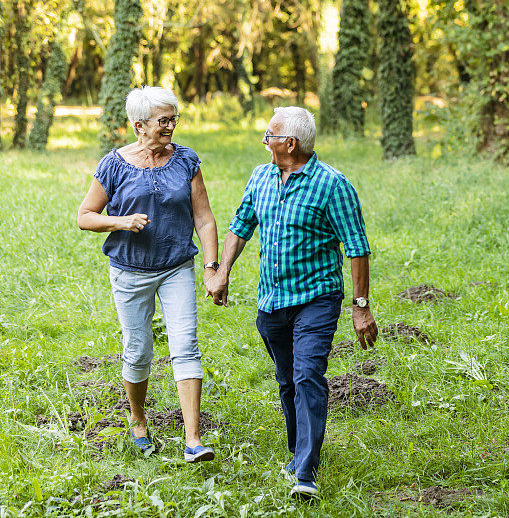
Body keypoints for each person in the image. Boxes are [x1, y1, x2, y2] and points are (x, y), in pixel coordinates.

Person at [206, 106, 378, 498]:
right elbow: (240, 226)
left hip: (316, 297)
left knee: (307, 376)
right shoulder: (261, 176)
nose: (264, 141)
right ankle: (297, 449)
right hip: (271, 300)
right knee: (287, 380)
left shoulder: (333, 185)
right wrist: (222, 272)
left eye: (269, 134)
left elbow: (356, 247)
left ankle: (305, 470)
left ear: (290, 143)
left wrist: (360, 305)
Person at [77, 86, 219, 463]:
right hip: (130, 273)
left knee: (185, 345)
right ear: (140, 126)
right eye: (164, 120)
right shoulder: (114, 164)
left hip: (176, 267)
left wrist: (211, 266)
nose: (171, 125)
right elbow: (85, 216)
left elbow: (203, 218)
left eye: (174, 118)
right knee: (138, 351)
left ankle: (193, 439)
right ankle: (138, 420)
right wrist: (120, 222)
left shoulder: (187, 160)